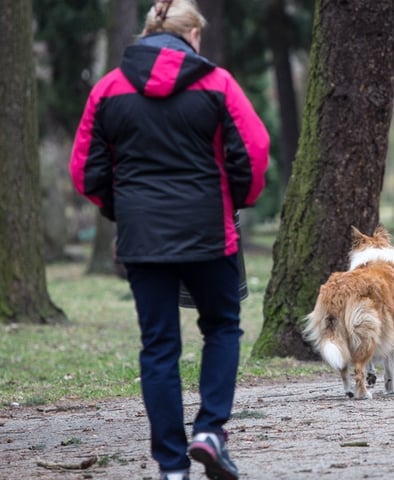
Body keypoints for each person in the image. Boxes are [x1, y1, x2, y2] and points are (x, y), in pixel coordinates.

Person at [69, 0, 269, 478]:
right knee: (221, 327)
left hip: (142, 238)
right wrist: (236, 199)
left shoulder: (108, 88)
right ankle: (210, 431)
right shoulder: (217, 83)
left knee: (158, 346)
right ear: (192, 35)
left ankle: (171, 466)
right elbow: (254, 149)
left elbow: (85, 170)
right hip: (209, 231)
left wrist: (123, 211)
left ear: (147, 33)